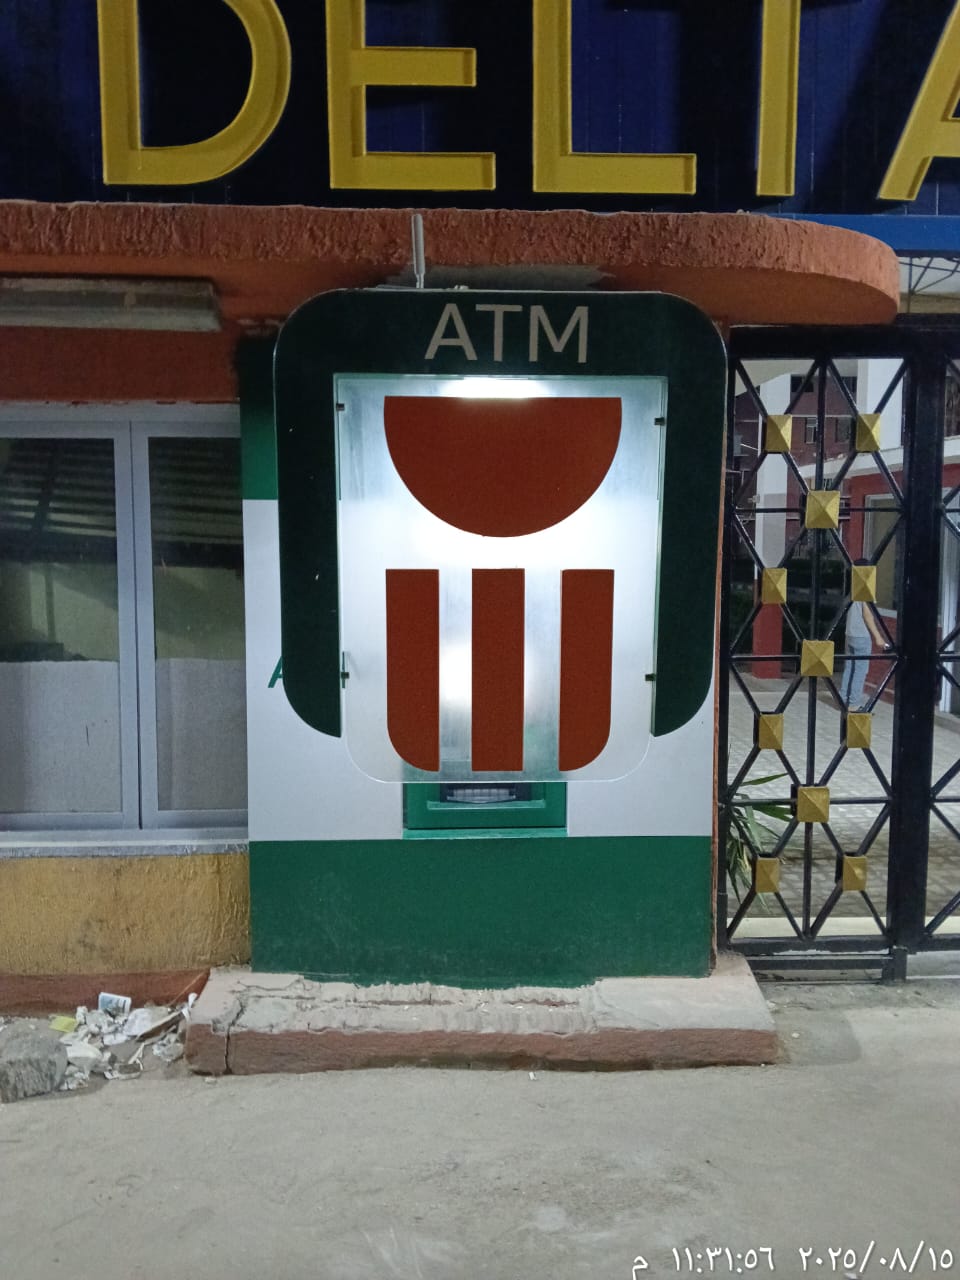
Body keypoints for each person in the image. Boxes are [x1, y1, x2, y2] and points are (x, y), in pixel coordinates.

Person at [839, 558, 886, 710]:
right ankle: (854, 705)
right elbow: (867, 615)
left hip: (849, 634)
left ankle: (843, 700)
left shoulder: (851, 589)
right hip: (861, 635)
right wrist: (878, 637)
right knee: (860, 670)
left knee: (849, 667)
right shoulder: (865, 590)